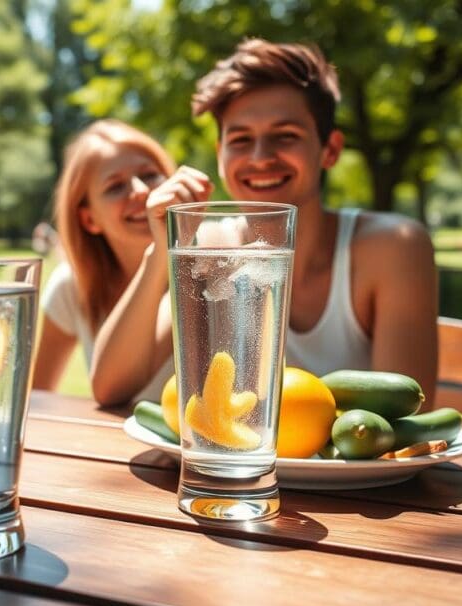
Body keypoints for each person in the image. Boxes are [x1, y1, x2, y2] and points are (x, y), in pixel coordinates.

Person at [91, 39, 438, 407]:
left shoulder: (394, 247)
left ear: (330, 150)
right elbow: (110, 387)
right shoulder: (209, 245)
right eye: (241, 140)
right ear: (220, 155)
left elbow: (407, 414)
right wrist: (162, 249)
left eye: (285, 136)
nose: (260, 158)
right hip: (239, 465)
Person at [32, 119, 212, 400]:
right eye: (115, 186)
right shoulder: (71, 287)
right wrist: (159, 255)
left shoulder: (213, 257)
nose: (141, 190)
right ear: (89, 219)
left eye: (151, 175)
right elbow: (37, 399)